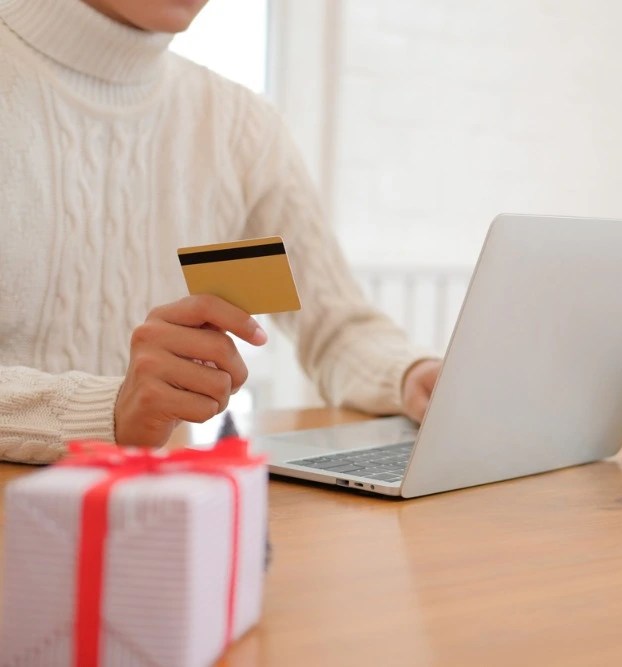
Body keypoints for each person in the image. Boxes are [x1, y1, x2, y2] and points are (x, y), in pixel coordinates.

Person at [0, 0, 442, 463]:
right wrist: (104, 410)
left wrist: (409, 375)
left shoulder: (239, 124)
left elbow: (337, 328)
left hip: (164, 508)